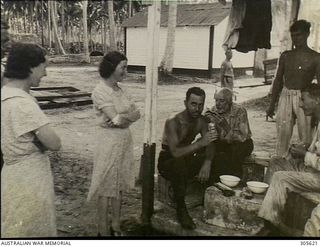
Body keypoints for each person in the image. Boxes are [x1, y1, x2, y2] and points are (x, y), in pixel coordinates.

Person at [1, 42, 61, 237]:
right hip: (30, 178)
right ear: (31, 67)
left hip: (11, 173)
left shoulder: (4, 95)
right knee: (32, 229)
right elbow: (54, 143)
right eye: (44, 67)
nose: (45, 74)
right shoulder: (23, 103)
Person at [87, 51, 140, 236]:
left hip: (124, 140)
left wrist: (123, 118)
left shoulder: (122, 90)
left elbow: (137, 114)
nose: (126, 71)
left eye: (126, 67)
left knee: (118, 184)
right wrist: (124, 118)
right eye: (122, 67)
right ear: (111, 68)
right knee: (105, 184)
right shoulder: (100, 91)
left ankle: (116, 225)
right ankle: (103, 229)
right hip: (108, 142)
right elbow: (116, 119)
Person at [259, 84, 320, 236]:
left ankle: (272, 223)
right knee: (276, 162)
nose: (300, 104)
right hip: (310, 171)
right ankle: (265, 207)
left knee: (281, 178)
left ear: (317, 100)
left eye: (303, 100)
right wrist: (304, 150)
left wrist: (305, 155)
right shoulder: (317, 121)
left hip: (317, 178)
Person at [158, 87, 218, 230]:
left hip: (187, 157)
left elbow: (211, 144)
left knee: (217, 155)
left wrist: (207, 162)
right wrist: (201, 143)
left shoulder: (202, 121)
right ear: (185, 103)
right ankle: (181, 209)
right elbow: (175, 153)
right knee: (179, 164)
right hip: (168, 160)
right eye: (193, 104)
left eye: (200, 105)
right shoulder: (173, 121)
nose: (197, 108)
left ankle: (209, 197)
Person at [266, 19, 320, 157]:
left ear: (307, 34)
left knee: (306, 136)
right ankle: (280, 161)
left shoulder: (315, 57)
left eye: (299, 35)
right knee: (282, 134)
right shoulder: (286, 56)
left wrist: (316, 110)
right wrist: (272, 104)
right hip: (286, 94)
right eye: (293, 35)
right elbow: (278, 80)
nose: (296, 39)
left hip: (304, 97)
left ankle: (305, 165)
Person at [205, 88, 254, 182]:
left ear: (229, 101)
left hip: (242, 143)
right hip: (223, 142)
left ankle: (234, 179)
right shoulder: (213, 110)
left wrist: (226, 127)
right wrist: (206, 121)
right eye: (216, 100)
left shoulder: (240, 110)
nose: (218, 104)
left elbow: (243, 137)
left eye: (222, 101)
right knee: (206, 148)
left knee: (235, 150)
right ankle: (211, 179)